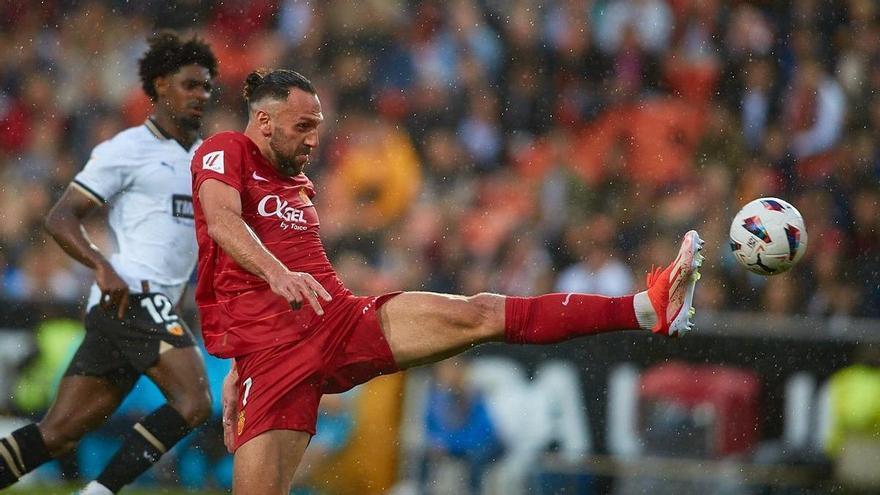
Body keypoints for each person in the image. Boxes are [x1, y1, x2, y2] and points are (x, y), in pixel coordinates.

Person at [190, 68, 704, 495]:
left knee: (476, 312)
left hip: (339, 322)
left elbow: (245, 282)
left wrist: (246, 344)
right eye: (303, 125)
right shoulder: (225, 148)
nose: (314, 138)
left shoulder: (297, 183)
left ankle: (644, 307)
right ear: (263, 120)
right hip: (277, 359)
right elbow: (222, 222)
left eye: (318, 126)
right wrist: (256, 333)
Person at [0, 32, 218, 495]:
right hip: (132, 294)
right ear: (159, 85)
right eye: (190, 84)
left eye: (206, 86)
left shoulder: (207, 160)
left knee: (59, 432)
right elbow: (60, 217)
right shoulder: (126, 149)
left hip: (150, 306)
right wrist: (101, 264)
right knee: (195, 401)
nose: (201, 95)